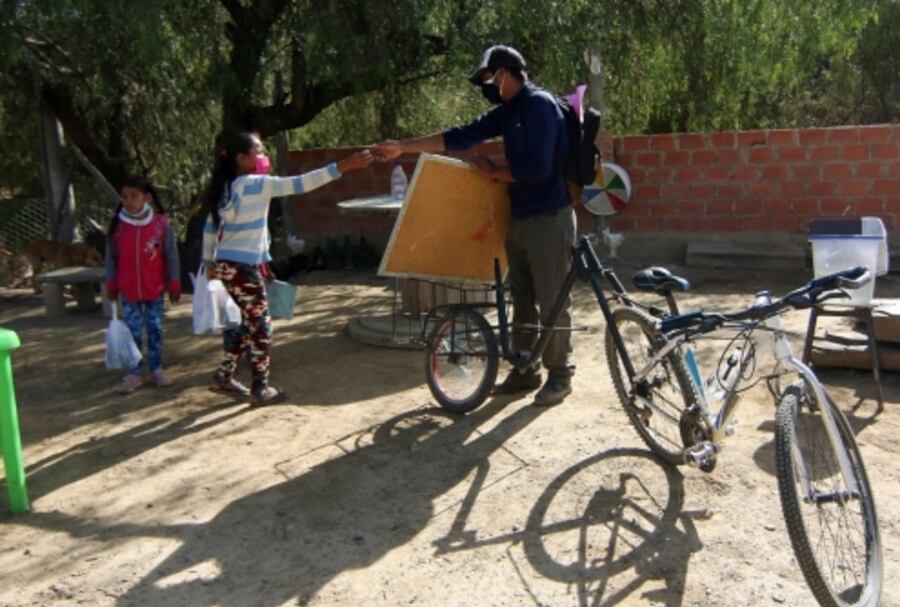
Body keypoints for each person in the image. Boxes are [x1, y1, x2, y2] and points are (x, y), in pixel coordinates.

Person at [374, 45, 576, 406]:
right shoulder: (508, 111)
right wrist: (403, 147)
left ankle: (560, 375)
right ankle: (525, 369)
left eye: (486, 79)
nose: (485, 87)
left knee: (553, 297)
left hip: (549, 218)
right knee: (522, 296)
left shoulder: (539, 105)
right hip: (520, 216)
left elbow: (539, 168)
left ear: (503, 74)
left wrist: (494, 172)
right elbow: (459, 136)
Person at [201, 132, 372, 405]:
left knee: (250, 323)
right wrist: (344, 166)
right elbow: (301, 183)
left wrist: (208, 262)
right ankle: (260, 388)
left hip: (227, 266)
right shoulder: (258, 184)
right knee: (262, 326)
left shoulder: (224, 187)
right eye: (258, 151)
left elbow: (210, 227)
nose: (263, 155)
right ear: (242, 159)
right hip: (243, 267)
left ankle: (223, 377)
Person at [105, 175, 182, 394]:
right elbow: (111, 258)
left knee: (154, 329)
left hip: (154, 289)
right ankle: (134, 372)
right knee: (133, 332)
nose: (128, 201)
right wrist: (111, 283)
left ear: (146, 198)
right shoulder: (118, 226)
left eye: (134, 196)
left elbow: (171, 255)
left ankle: (156, 368)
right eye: (125, 196)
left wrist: (174, 282)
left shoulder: (160, 225)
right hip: (128, 290)